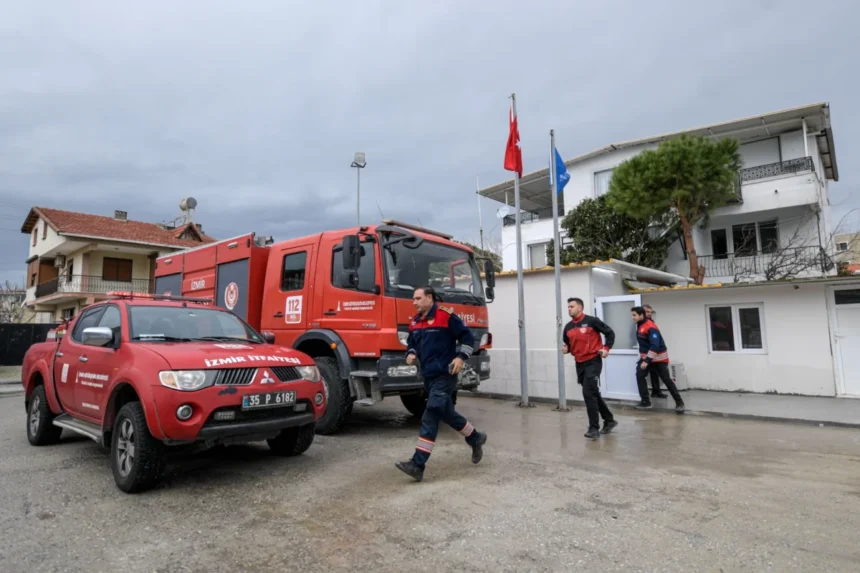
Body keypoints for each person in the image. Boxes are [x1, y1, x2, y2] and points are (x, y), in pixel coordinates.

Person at [395, 286, 487, 482]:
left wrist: (461, 357)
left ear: (429, 298)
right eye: (413, 299)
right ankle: (475, 438)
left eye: (418, 298)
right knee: (447, 413)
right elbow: (412, 343)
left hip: (446, 375)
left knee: (431, 414)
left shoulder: (445, 316)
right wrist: (411, 353)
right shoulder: (415, 321)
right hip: (428, 377)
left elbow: (468, 337)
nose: (414, 302)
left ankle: (418, 464)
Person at [561, 297, 618, 439]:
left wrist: (606, 348)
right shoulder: (568, 327)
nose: (569, 309)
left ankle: (594, 428)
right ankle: (609, 420)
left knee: (588, 393)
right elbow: (568, 345)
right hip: (579, 363)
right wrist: (567, 349)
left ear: (580, 308)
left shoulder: (592, 321)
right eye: (568, 307)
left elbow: (610, 333)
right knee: (592, 392)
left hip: (593, 361)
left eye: (572, 306)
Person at [631, 306, 685, 412]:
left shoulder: (650, 326)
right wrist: (644, 359)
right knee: (639, 375)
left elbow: (655, 346)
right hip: (647, 358)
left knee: (666, 380)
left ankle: (679, 403)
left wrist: (647, 361)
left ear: (641, 315)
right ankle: (645, 402)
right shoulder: (640, 325)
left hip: (659, 359)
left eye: (634, 315)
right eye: (632, 315)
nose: (632, 317)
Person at [643, 304, 667, 399]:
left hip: (652, 352)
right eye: (647, 312)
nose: (649, 314)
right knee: (642, 374)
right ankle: (644, 396)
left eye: (650, 312)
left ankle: (656, 391)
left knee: (654, 373)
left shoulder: (651, 322)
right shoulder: (641, 323)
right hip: (645, 353)